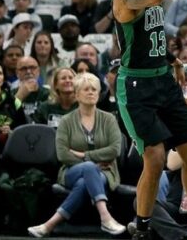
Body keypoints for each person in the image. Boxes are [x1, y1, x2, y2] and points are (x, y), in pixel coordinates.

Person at [108, 0, 187, 240]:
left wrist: (173, 60)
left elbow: (148, 35)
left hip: (163, 80)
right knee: (154, 159)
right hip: (136, 88)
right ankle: (141, 229)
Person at [27, 73, 126, 237]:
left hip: (106, 172)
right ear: (77, 94)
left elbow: (115, 150)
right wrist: (91, 162)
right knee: (89, 168)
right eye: (86, 89)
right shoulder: (66, 121)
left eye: (94, 89)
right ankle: (105, 217)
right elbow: (62, 154)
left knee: (83, 182)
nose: (91, 92)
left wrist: (85, 155)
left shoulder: (109, 119)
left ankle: (49, 225)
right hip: (71, 170)